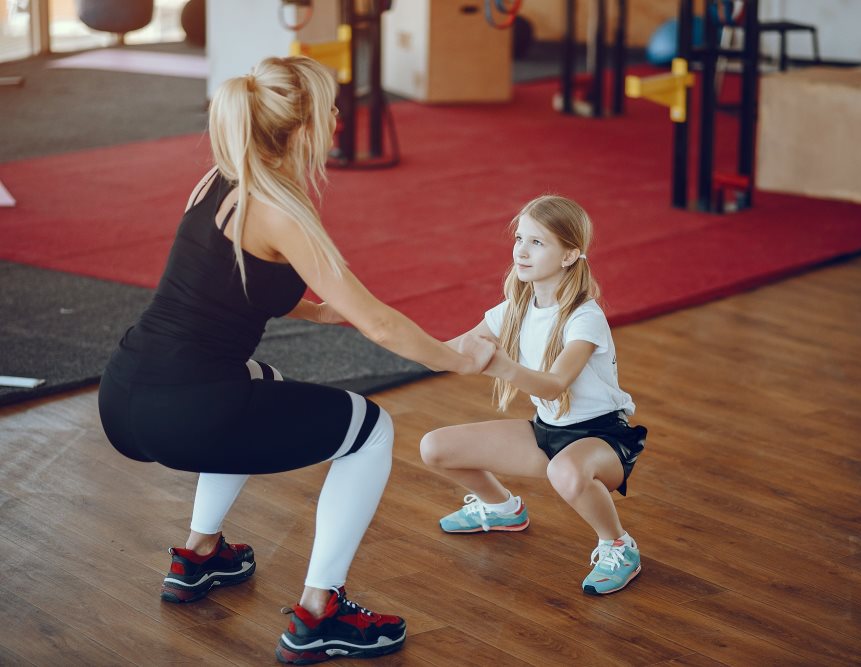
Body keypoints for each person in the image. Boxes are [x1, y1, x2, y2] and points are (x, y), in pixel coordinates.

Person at [97, 56, 493, 664]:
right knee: (371, 430)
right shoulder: (283, 211)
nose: (339, 118)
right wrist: (457, 361)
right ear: (304, 128)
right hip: (186, 410)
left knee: (263, 383)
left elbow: (214, 289)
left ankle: (200, 555)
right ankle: (320, 612)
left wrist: (314, 311)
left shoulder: (220, 179)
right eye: (331, 108)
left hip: (124, 393)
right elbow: (382, 323)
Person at [420, 195, 647, 595]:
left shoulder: (584, 317)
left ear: (569, 254)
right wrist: (378, 330)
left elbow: (555, 384)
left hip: (604, 438)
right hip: (548, 432)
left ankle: (617, 545)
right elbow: (448, 352)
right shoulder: (514, 307)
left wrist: (503, 366)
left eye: (537, 243)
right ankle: (500, 508)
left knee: (565, 471)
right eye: (520, 238)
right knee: (434, 447)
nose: (521, 251)